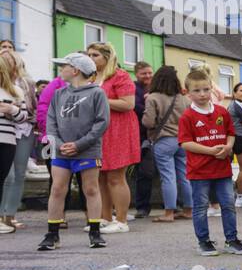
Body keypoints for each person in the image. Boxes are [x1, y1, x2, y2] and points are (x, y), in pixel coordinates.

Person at [38, 53, 109, 250]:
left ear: (75, 70)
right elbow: (51, 122)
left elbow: (101, 123)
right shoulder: (59, 94)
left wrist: (79, 144)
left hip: (88, 151)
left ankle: (95, 232)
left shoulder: (97, 93)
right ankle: (52, 234)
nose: (61, 70)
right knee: (57, 189)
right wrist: (59, 144)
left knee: (91, 189)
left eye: (64, 66)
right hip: (61, 152)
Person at [177, 69, 242, 256]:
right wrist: (209, 151)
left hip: (222, 170)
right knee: (200, 207)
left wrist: (228, 147)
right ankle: (204, 241)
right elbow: (185, 143)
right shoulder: (187, 116)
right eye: (197, 90)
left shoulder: (221, 112)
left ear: (212, 89)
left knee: (228, 204)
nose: (202, 94)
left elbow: (230, 134)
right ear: (188, 92)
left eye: (206, 89)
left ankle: (232, 239)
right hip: (199, 171)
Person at [87, 42, 140, 233]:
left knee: (116, 177)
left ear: (106, 57)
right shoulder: (91, 77)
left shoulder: (120, 75)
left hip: (119, 129)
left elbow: (128, 104)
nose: (91, 58)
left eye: (95, 55)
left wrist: (98, 99)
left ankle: (122, 221)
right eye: (89, 55)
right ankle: (105, 217)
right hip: (99, 131)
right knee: (100, 176)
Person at [142, 65, 191, 223]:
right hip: (183, 141)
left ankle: (169, 213)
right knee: (184, 176)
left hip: (164, 141)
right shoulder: (184, 98)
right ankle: (188, 210)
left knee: (167, 177)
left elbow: (148, 122)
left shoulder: (153, 97)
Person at [0, 40, 36, 232]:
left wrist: (13, 109)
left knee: (17, 174)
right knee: (7, 175)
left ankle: (10, 215)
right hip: (5, 132)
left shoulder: (25, 84)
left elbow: (30, 109)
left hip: (21, 131)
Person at [130, 61, 156, 218]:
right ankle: (142, 207)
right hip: (139, 135)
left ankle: (175, 206)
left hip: (157, 134)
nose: (147, 76)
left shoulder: (157, 87)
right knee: (143, 173)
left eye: (149, 73)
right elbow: (135, 107)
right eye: (143, 73)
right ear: (136, 74)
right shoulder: (133, 88)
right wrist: (150, 103)